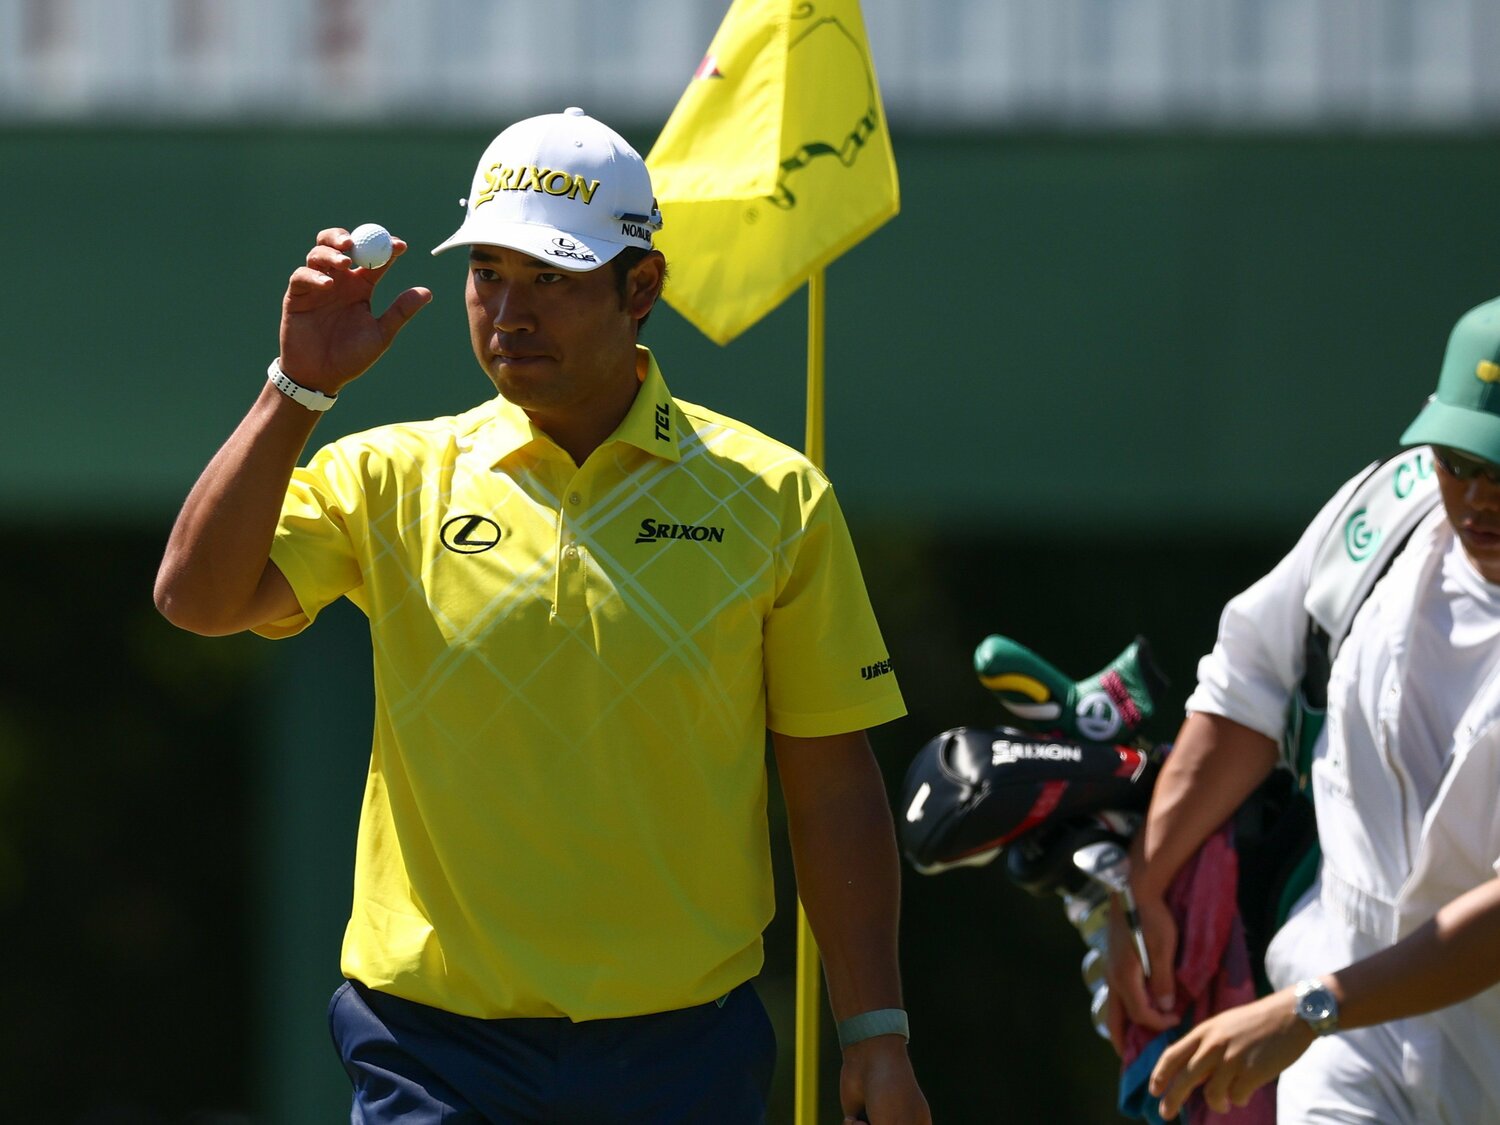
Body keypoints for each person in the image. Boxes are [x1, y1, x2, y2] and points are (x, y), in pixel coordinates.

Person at [154, 106, 929, 1125]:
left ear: (640, 288)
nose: (509, 313)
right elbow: (198, 598)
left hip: (681, 1052)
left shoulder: (774, 497)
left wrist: (875, 1035)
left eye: (551, 278)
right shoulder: (390, 476)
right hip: (432, 1052)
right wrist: (296, 388)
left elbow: (831, 782)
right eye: (488, 274)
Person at [1104, 295, 1500, 1123]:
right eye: (1458, 458)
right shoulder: (1388, 510)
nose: (1477, 495)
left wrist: (1310, 1008)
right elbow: (1248, 684)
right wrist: (1144, 889)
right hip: (1346, 1041)